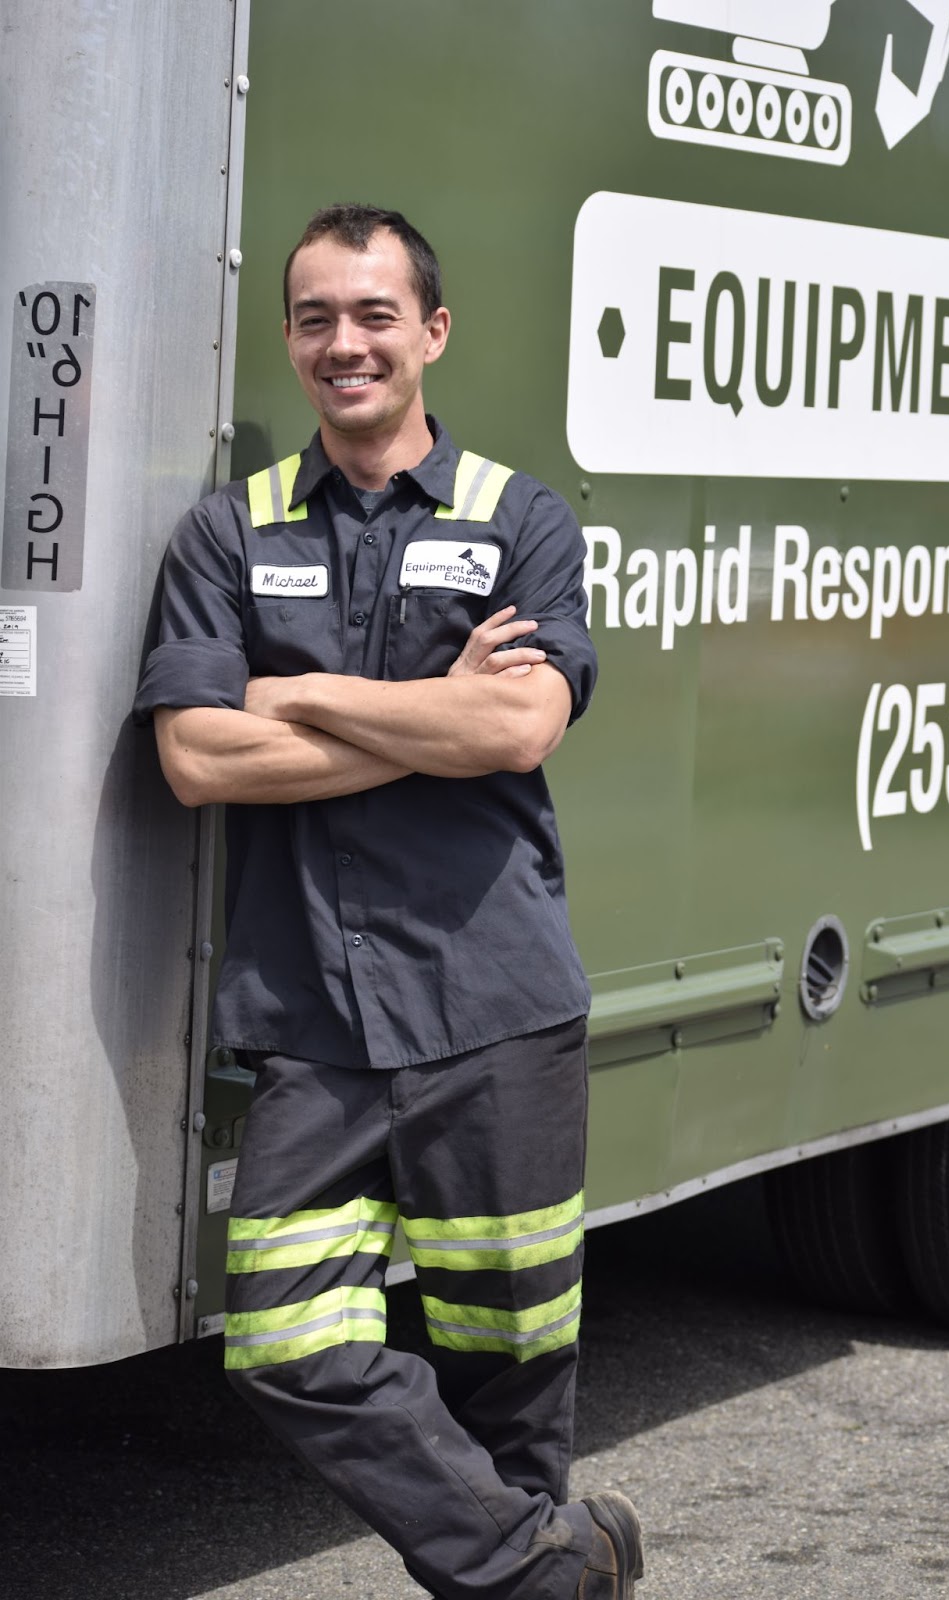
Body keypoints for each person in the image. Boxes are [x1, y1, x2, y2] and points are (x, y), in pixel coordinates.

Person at [134, 204, 644, 1600]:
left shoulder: (519, 519)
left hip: (497, 1005)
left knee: (506, 1377)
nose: (341, 343)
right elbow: (193, 756)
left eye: (371, 314)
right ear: (290, 339)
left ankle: (527, 1566)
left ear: (430, 331)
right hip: (312, 1012)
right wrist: (435, 708)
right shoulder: (226, 534)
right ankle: (554, 1567)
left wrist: (295, 689)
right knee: (286, 1341)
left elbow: (515, 734)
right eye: (313, 317)